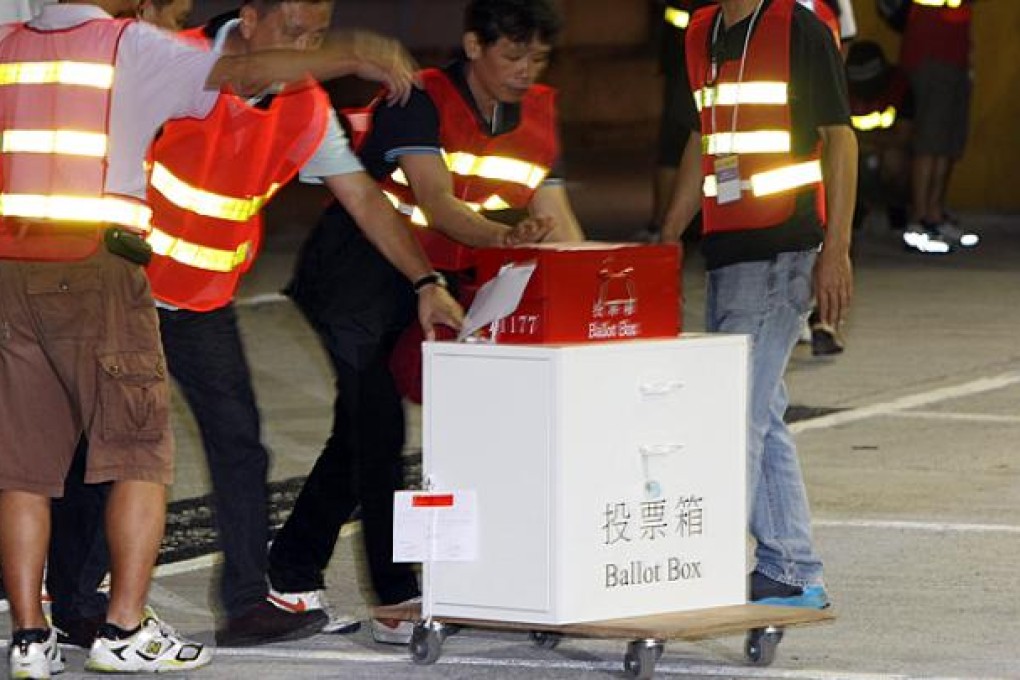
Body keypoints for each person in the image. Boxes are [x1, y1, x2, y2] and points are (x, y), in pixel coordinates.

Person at [0, 0, 439, 676]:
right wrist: (352, 51)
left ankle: (240, 602)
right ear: (253, 17)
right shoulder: (154, 52)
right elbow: (239, 72)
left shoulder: (303, 107)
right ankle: (91, 610)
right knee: (108, 458)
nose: (305, 45)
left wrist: (424, 280)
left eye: (318, 35)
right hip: (119, 284)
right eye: (296, 31)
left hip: (192, 299)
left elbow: (363, 196)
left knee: (234, 444)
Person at [267, 0, 583, 645]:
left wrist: (595, 283)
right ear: (473, 45)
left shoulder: (540, 114)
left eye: (538, 58)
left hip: (432, 286)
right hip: (357, 274)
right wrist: (508, 236)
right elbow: (439, 207)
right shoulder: (419, 99)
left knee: (361, 434)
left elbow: (561, 225)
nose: (526, 70)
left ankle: (291, 571)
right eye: (512, 55)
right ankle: (396, 597)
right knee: (376, 432)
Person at [662, 0, 856, 608]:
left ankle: (707, 570)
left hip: (784, 250)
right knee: (760, 412)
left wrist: (837, 250)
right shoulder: (699, 33)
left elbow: (841, 141)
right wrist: (668, 240)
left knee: (732, 414)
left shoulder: (799, 27)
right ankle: (792, 568)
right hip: (727, 251)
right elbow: (703, 139)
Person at [899, 0, 979, 251]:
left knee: (946, 141)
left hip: (955, 52)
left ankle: (934, 213)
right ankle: (919, 218)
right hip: (932, 52)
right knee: (930, 140)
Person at [643, 0, 715, 243]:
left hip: (689, 47)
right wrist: (671, 229)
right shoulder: (704, 28)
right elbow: (696, 140)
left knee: (678, 142)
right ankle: (662, 225)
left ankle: (664, 225)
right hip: (689, 50)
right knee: (678, 142)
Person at [846, 40, 912, 235]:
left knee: (895, 159)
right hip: (853, 152)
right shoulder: (838, 86)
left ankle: (897, 210)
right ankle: (852, 214)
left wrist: (863, 139)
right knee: (840, 160)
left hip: (881, 151)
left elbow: (904, 136)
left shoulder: (899, 86)